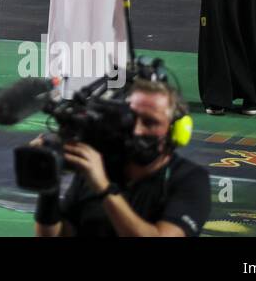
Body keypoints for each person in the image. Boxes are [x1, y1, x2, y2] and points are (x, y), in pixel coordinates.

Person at [34, 75, 210, 238]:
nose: (137, 130)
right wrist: (49, 188)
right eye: (131, 119)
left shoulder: (190, 180)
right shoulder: (97, 166)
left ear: (176, 132)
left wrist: (104, 188)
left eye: (150, 122)